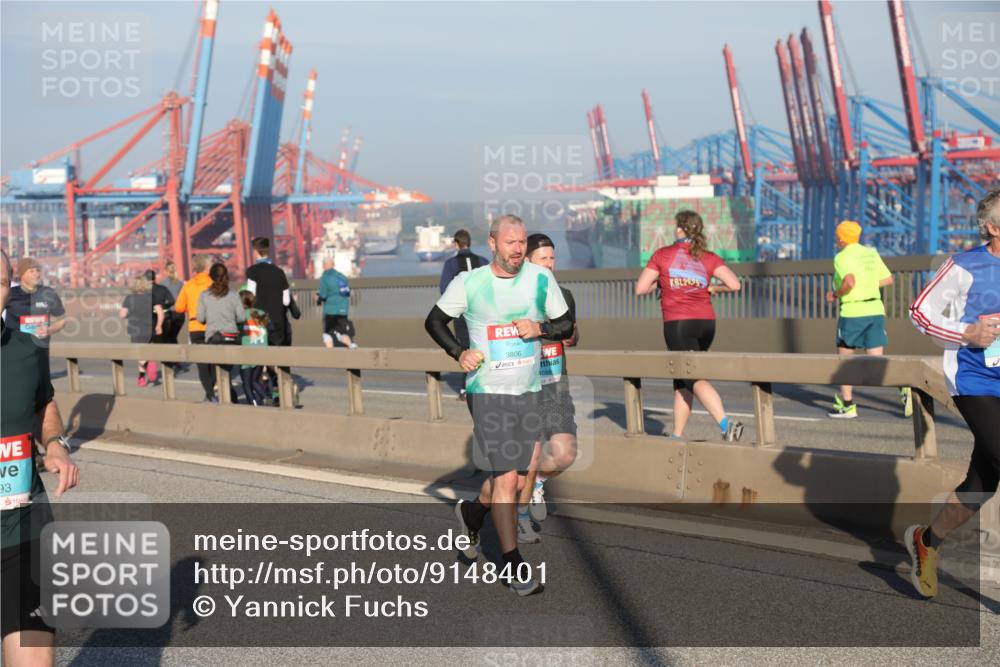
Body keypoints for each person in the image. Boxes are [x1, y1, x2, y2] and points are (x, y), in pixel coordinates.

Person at [425, 215, 575, 596]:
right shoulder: (470, 282)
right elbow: (435, 321)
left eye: (522, 241)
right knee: (508, 477)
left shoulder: (541, 279)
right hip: (487, 390)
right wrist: (458, 353)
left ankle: (473, 512)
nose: (518, 249)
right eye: (510, 242)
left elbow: (567, 324)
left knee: (521, 478)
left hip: (529, 391)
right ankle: (513, 566)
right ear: (492, 243)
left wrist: (539, 329)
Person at [904, 189, 1000, 598]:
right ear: (993, 227)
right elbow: (919, 312)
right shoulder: (964, 266)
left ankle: (927, 541)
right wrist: (967, 333)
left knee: (984, 480)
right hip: (976, 380)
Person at [1, 248, 80, 666]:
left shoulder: (27, 351)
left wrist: (53, 445)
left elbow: (44, 403)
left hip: (21, 528)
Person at [635, 210, 745, 442]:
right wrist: (713, 288)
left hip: (678, 323)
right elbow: (735, 285)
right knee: (683, 380)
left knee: (693, 377)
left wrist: (663, 282)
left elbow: (641, 289)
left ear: (679, 229)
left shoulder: (663, 255)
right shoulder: (708, 256)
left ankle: (726, 424)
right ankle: (677, 435)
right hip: (706, 324)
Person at [516, 233, 580, 544]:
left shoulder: (564, 295)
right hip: (525, 388)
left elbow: (573, 333)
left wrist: (569, 335)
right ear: (527, 261)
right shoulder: (513, 298)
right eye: (544, 259)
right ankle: (521, 517)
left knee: (565, 454)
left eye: (553, 258)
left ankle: (539, 481)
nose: (550, 264)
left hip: (556, 384)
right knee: (527, 458)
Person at [824, 220, 911, 418]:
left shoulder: (842, 256)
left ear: (840, 238)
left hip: (853, 312)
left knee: (844, 361)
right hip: (875, 310)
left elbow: (849, 281)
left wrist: (835, 295)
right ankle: (902, 385)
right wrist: (868, 284)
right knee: (877, 361)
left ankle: (848, 406)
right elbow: (888, 279)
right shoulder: (871, 253)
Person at [439, 229, 489, 399]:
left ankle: (464, 388)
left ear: (456, 244)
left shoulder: (451, 264)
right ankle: (486, 384)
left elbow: (444, 289)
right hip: (482, 313)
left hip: (463, 315)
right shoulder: (482, 261)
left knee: (466, 349)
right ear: (470, 242)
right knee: (484, 346)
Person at [197, 263, 246, 402]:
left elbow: (200, 318)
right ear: (226, 277)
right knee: (226, 370)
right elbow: (242, 317)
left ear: (211, 277)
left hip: (214, 339)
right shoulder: (234, 295)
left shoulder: (204, 295)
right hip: (232, 339)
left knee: (212, 368)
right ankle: (230, 396)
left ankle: (212, 396)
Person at [175, 254, 216, 402]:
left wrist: (190, 307)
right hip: (212, 326)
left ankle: (209, 394)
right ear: (207, 267)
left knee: (202, 364)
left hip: (195, 328)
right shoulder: (213, 283)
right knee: (214, 360)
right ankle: (211, 391)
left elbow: (179, 307)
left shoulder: (189, 285)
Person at [3, 257, 66, 344]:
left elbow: (62, 320)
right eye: (31, 271)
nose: (36, 274)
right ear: (22, 274)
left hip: (40, 350)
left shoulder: (48, 293)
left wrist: (49, 330)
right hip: (13, 349)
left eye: (38, 270)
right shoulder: (10, 294)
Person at [119, 274, 165, 387]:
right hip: (150, 329)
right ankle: (146, 370)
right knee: (148, 351)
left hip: (136, 330)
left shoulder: (129, 298)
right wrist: (159, 326)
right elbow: (160, 313)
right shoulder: (151, 297)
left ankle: (144, 373)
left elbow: (122, 314)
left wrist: (128, 314)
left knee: (140, 355)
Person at [239, 288, 274, 406]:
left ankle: (254, 404)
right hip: (262, 351)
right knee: (255, 380)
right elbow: (272, 328)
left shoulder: (241, 315)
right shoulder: (261, 313)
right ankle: (266, 398)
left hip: (247, 352)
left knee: (246, 382)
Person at [144, 268, 175, 383]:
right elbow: (171, 301)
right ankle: (168, 369)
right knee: (165, 343)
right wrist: (163, 306)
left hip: (150, 320)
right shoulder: (162, 288)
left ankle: (150, 363)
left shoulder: (143, 291)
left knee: (149, 344)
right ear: (154, 278)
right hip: (165, 318)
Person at [318, 257, 357, 349]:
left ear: (323, 266)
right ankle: (351, 345)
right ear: (333, 264)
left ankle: (330, 356)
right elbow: (346, 293)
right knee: (341, 333)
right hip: (343, 310)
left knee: (327, 334)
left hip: (330, 311)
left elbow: (323, 295)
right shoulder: (342, 277)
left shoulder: (324, 278)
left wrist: (318, 297)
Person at [160, 260, 186, 345]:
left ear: (165, 271)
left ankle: (170, 357)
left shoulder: (162, 284)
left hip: (168, 314)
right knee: (173, 337)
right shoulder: (180, 283)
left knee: (168, 338)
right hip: (180, 314)